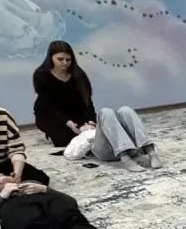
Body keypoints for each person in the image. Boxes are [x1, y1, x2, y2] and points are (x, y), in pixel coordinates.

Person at [33, 41, 162, 171]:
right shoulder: (41, 75)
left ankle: (151, 151)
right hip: (52, 116)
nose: (65, 63)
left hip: (81, 117)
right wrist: (70, 124)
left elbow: (87, 100)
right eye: (60, 59)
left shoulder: (77, 73)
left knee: (125, 110)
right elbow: (48, 105)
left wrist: (90, 121)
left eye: (68, 60)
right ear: (51, 57)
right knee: (102, 114)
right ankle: (125, 157)